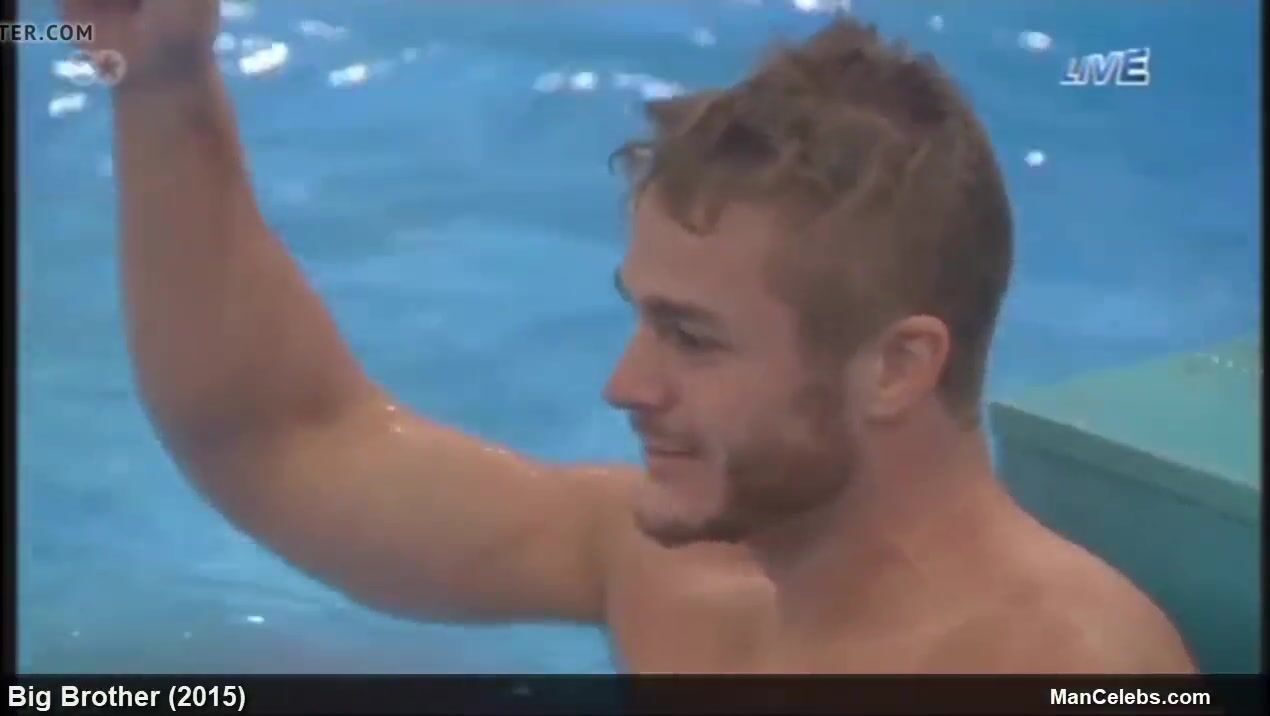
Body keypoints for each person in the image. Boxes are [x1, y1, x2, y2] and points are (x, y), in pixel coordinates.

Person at [60, 0, 1195, 673]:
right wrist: (160, 81)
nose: (624, 383)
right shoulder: (684, 579)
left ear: (896, 368)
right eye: (641, 317)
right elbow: (283, 436)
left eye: (693, 339)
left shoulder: (1069, 667)